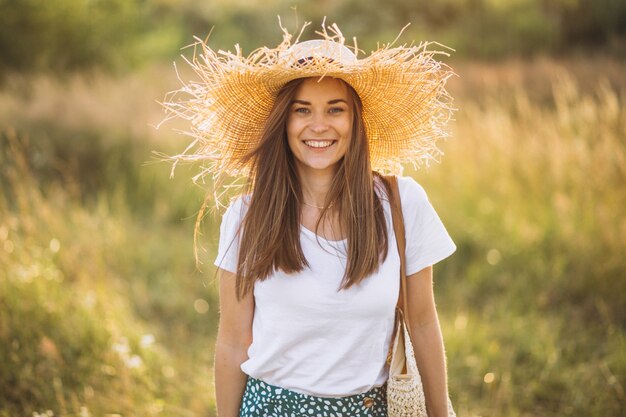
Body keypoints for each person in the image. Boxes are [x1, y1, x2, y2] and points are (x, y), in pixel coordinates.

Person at [164, 22, 456, 417]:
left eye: (335, 109)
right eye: (303, 110)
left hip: (371, 408)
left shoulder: (402, 203)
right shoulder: (247, 216)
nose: (319, 126)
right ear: (283, 122)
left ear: (356, 120)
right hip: (270, 409)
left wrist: (442, 413)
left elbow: (422, 323)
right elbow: (233, 343)